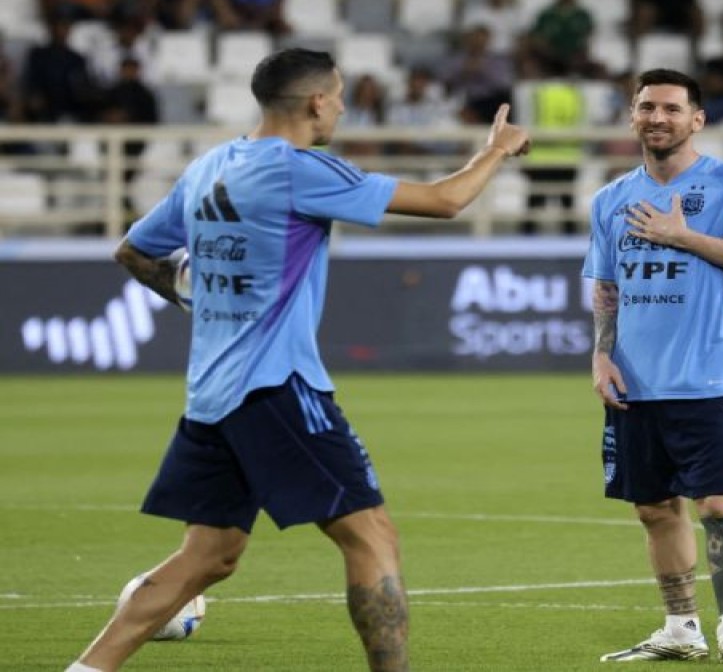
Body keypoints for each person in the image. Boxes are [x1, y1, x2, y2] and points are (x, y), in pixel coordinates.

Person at [63, 47, 530, 672]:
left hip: (211, 390)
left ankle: (87, 669)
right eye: (337, 96)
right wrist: (496, 150)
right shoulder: (301, 170)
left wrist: (195, 294)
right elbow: (446, 200)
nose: (340, 106)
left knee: (210, 557)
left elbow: (134, 251)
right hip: (276, 385)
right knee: (371, 536)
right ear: (316, 101)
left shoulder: (210, 167)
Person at [583, 68, 723, 667]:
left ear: (697, 119)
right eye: (647, 107)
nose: (657, 118)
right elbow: (607, 287)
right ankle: (680, 628)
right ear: (632, 116)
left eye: (672, 108)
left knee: (721, 507)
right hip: (634, 381)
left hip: (707, 377)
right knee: (653, 508)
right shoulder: (610, 199)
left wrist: (684, 236)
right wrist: (599, 354)